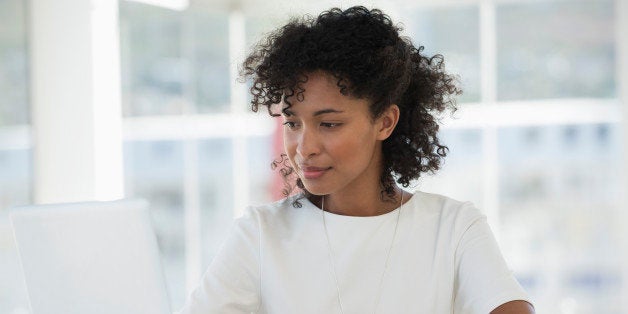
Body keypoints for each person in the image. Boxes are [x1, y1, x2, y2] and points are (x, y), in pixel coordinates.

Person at [180, 6, 534, 314]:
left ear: (385, 122)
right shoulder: (261, 233)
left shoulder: (454, 228)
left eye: (329, 123)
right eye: (292, 123)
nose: (305, 147)